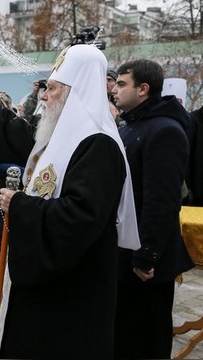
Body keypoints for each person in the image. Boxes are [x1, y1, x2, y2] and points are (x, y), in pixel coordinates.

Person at [0, 43, 141, 358]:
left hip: (73, 290)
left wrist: (18, 205)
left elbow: (80, 217)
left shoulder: (99, 145)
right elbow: (17, 135)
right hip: (52, 282)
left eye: (53, 89)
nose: (44, 96)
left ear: (76, 93)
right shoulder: (62, 136)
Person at [111, 59, 194, 359]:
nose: (115, 90)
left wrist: (147, 255)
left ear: (143, 89)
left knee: (147, 336)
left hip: (146, 260)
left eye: (122, 84)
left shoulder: (165, 130)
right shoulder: (133, 125)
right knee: (126, 333)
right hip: (126, 251)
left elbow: (162, 200)